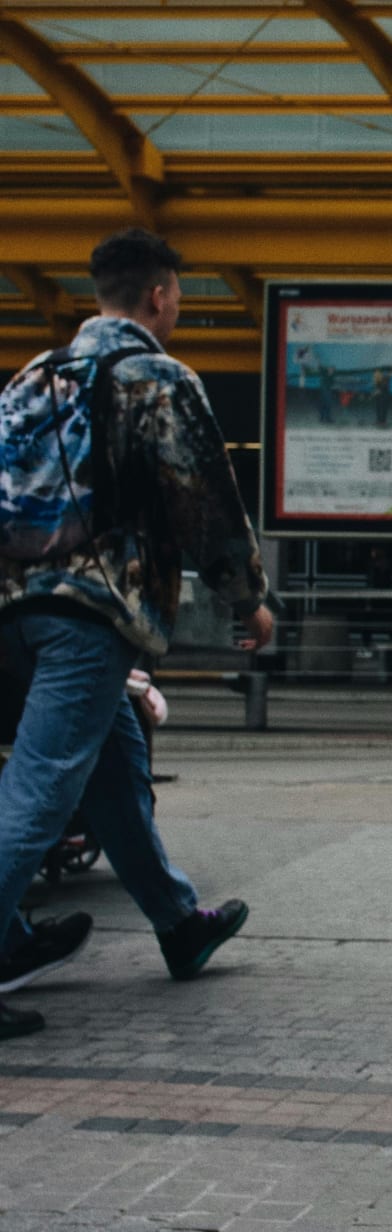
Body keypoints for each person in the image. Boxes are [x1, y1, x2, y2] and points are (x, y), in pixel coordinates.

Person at [0, 228, 268, 1028]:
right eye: (179, 298)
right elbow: (202, 494)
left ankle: (180, 924)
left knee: (114, 767)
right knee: (42, 785)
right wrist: (244, 596)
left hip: (10, 609)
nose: (178, 311)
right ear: (158, 296)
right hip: (88, 612)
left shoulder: (29, 379)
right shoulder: (154, 376)